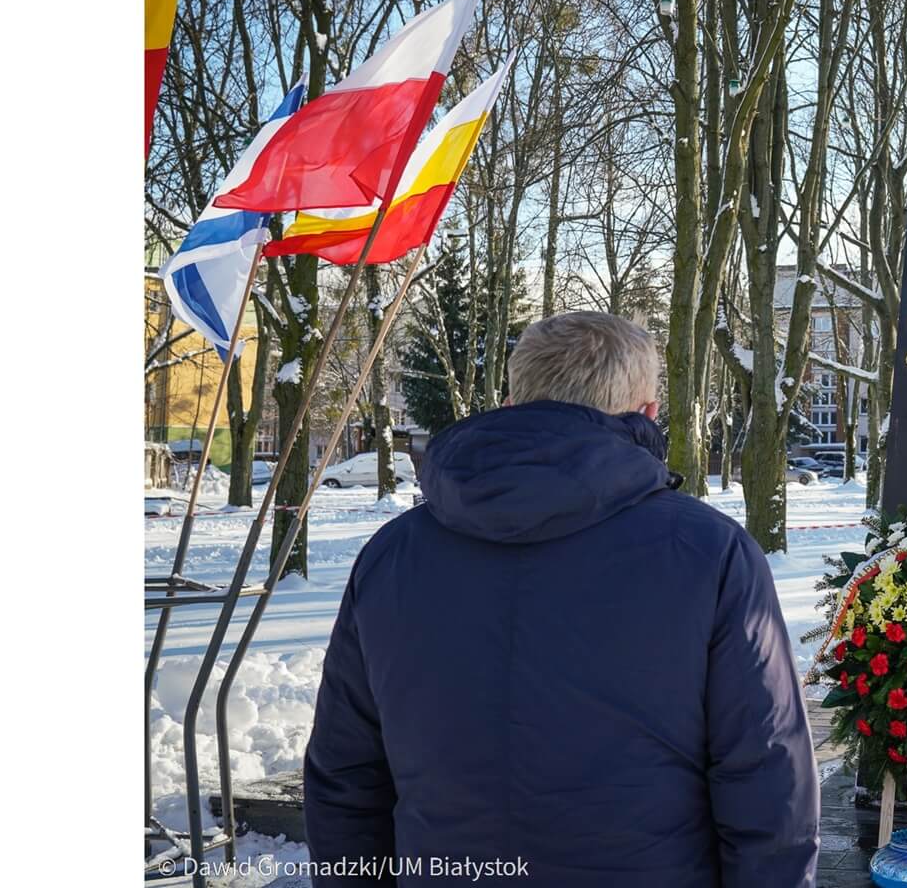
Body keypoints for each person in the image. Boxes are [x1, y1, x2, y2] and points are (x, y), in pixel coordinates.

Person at [303, 312, 819, 887]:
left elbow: (346, 778)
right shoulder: (710, 552)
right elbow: (767, 779)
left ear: (514, 398)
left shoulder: (391, 557)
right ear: (646, 414)